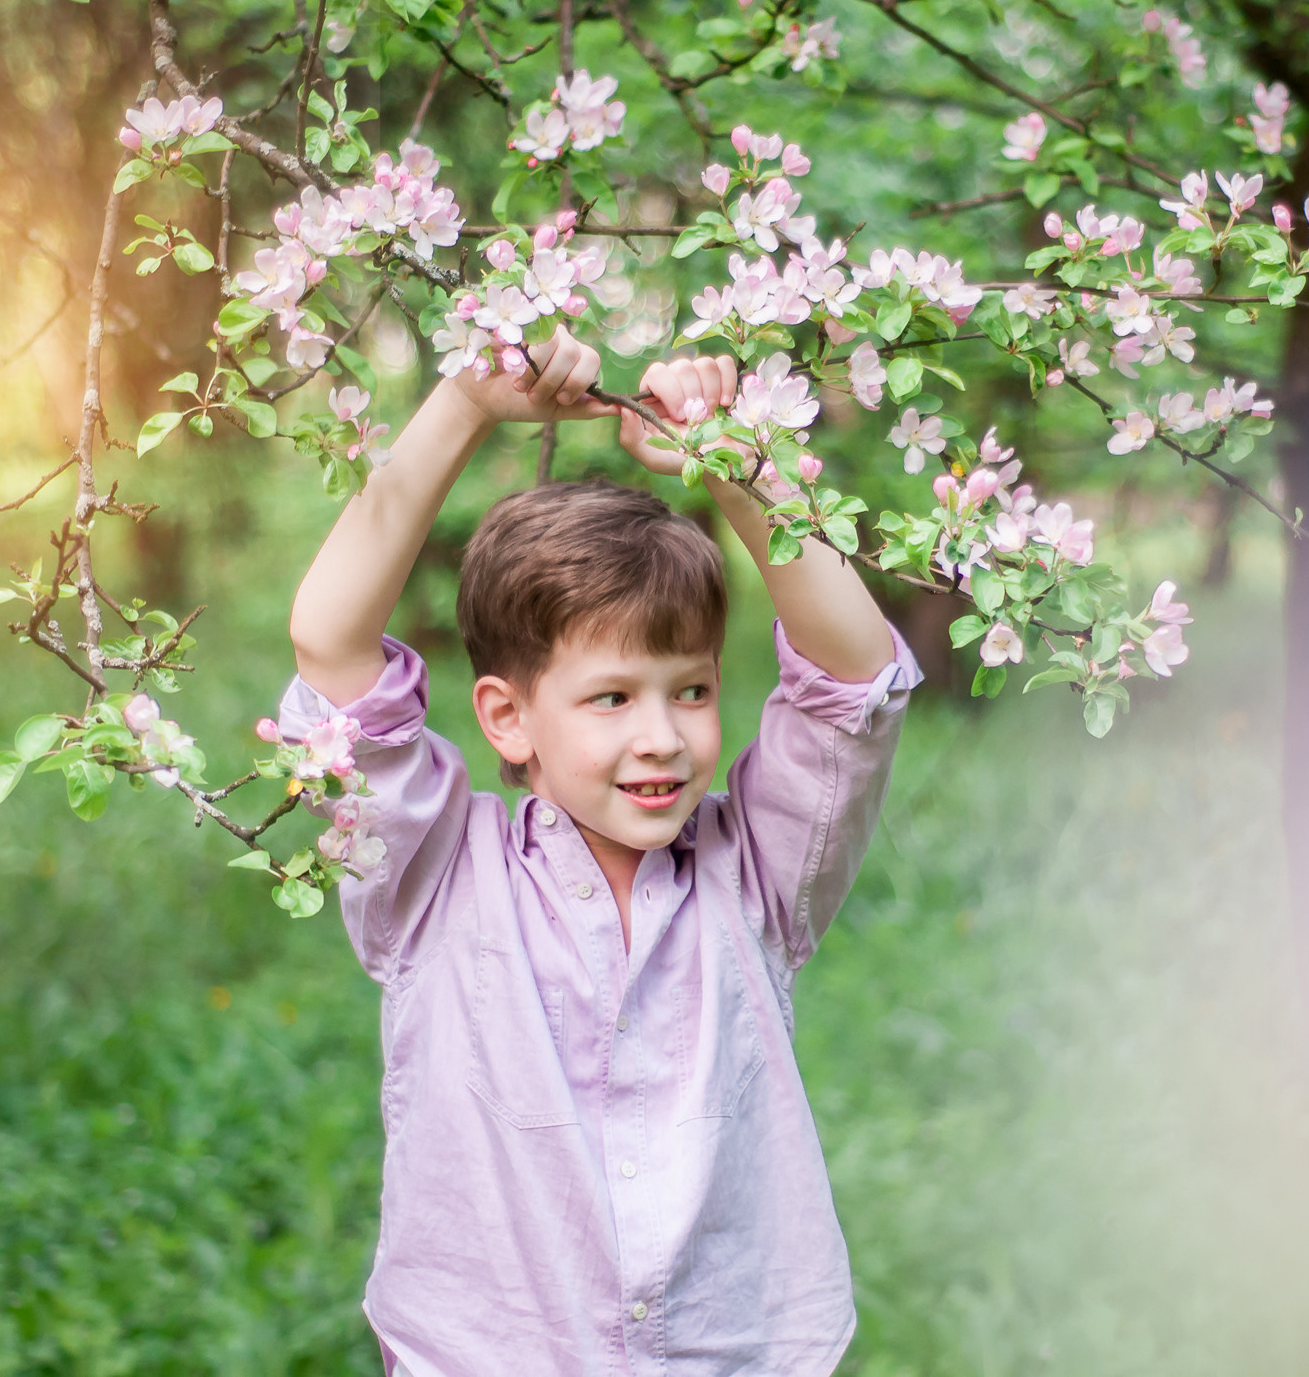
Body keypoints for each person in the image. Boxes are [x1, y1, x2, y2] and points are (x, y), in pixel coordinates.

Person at [281, 329, 921, 1376]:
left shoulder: (755, 871)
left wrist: (739, 462)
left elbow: (852, 680)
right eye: (612, 697)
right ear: (508, 716)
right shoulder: (434, 872)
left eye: (693, 690)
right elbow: (330, 643)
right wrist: (467, 401)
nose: (663, 735)